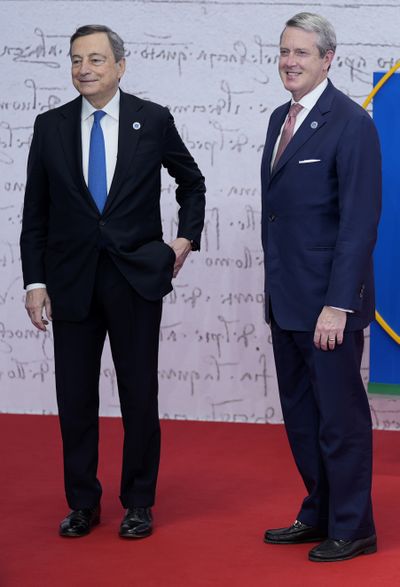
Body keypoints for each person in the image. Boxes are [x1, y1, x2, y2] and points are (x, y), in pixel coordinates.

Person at [20, 24, 206, 539]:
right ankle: (82, 502)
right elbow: (35, 212)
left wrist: (185, 238)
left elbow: (191, 182)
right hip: (71, 281)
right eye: (77, 59)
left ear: (120, 66)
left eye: (97, 60)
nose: (85, 69)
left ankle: (139, 501)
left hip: (135, 280)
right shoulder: (49, 125)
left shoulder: (153, 119)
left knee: (138, 394)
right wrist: (34, 283)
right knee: (74, 397)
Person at [260, 13, 381, 562]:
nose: (289, 61)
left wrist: (337, 304)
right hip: (285, 302)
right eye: (284, 51)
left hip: (328, 308)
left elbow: (358, 223)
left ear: (328, 59)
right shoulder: (277, 120)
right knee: (303, 419)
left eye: (302, 53)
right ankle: (320, 511)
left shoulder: (352, 124)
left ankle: (354, 526)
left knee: (340, 420)